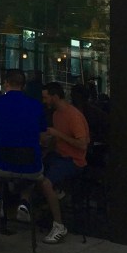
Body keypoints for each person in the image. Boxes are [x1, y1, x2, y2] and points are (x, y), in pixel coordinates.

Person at [0, 69, 47, 226]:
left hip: (1, 163)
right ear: (23, 85)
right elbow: (43, 138)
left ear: (6, 83)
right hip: (30, 164)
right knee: (34, 172)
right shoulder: (36, 106)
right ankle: (24, 201)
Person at [40, 81, 90, 244]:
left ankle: (59, 225)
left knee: (46, 182)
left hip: (74, 160)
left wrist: (57, 135)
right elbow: (57, 140)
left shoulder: (73, 115)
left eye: (46, 97)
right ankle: (53, 196)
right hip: (58, 156)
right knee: (33, 169)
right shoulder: (56, 114)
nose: (44, 101)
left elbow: (82, 144)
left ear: (55, 97)